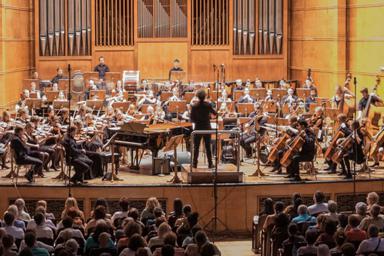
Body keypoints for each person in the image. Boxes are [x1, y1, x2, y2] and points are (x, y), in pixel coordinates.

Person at [190, 89, 217, 169]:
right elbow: (215, 114)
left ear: (197, 96)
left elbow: (192, 118)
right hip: (207, 128)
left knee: (196, 147)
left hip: (198, 128)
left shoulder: (194, 106)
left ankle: (194, 164)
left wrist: (198, 120)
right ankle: (210, 164)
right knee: (208, 147)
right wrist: (209, 117)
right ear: (205, 96)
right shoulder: (208, 105)